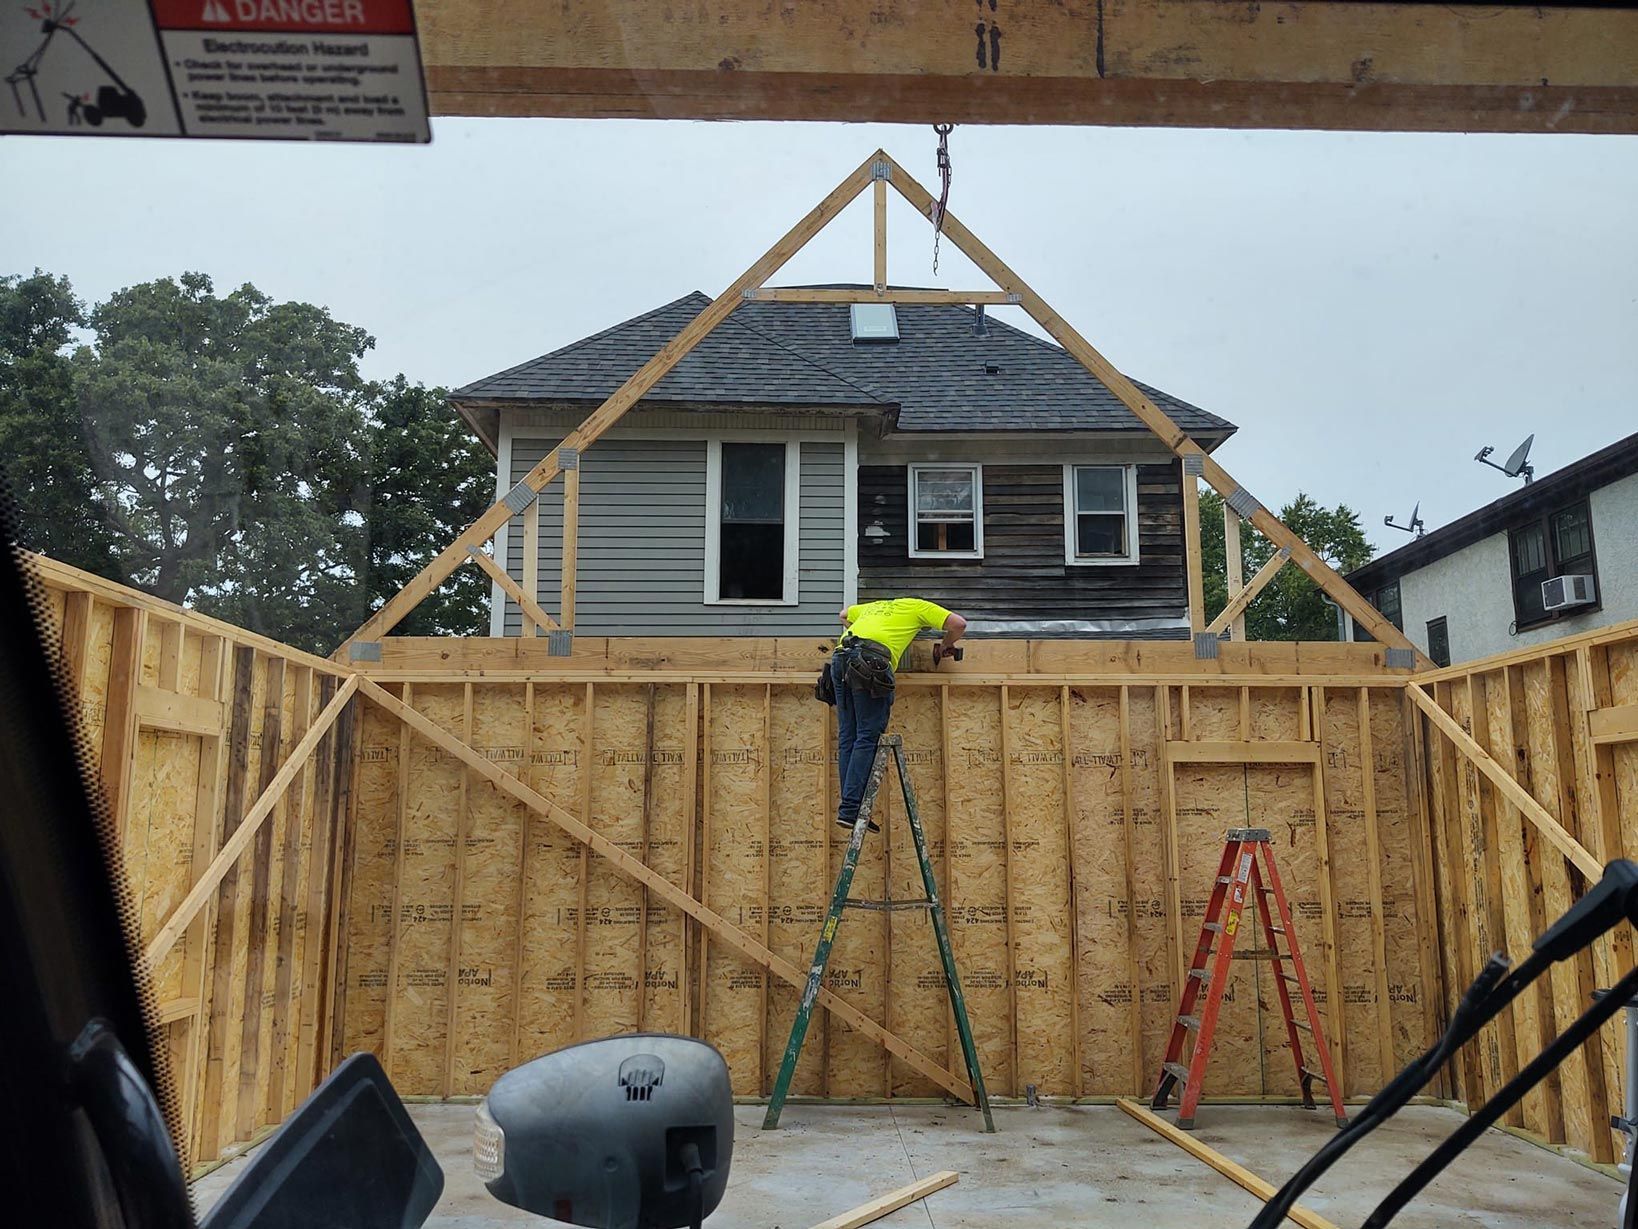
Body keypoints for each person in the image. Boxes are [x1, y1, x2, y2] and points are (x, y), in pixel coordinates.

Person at [830, 597, 966, 831]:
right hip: (871, 662)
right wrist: (945, 645)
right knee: (867, 735)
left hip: (841, 658)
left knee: (848, 736)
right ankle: (852, 809)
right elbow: (958, 624)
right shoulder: (918, 607)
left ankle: (849, 809)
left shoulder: (872, 607)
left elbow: (843, 615)